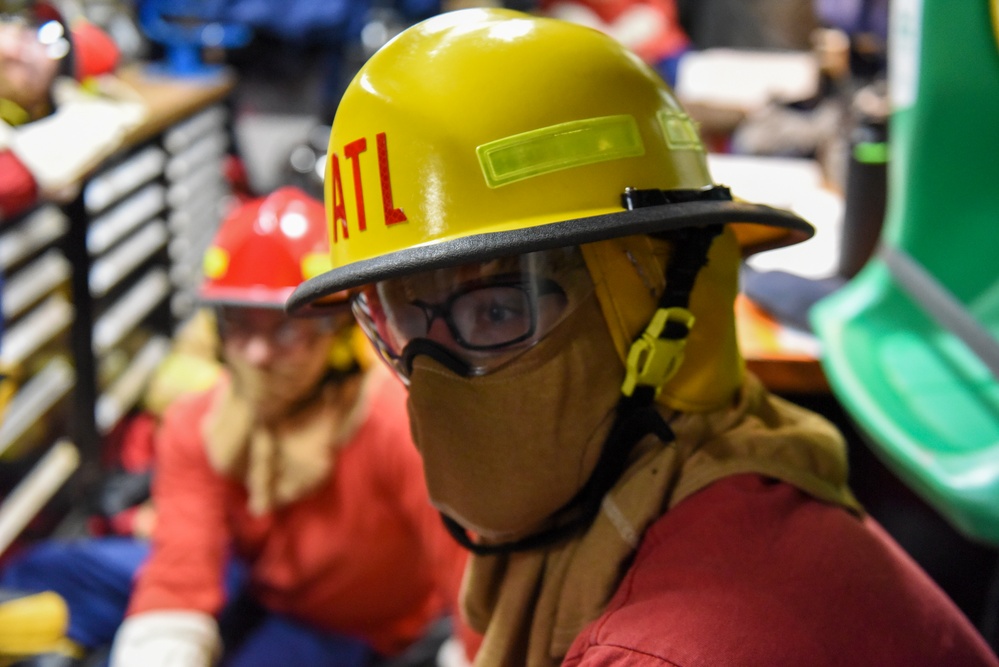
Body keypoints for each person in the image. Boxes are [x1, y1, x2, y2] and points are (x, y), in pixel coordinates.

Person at [286, 9, 999, 667]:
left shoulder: (664, 646)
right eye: (395, 322)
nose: (434, 374)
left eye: (497, 310)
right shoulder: (662, 484)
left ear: (662, 297)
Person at [1, 187, 466, 666]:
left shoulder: (398, 422)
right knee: (49, 572)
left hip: (360, 629)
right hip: (254, 586)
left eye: (287, 328)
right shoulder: (201, 423)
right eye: (240, 324)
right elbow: (179, 576)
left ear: (340, 330)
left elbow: (469, 577)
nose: (257, 355)